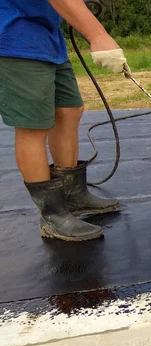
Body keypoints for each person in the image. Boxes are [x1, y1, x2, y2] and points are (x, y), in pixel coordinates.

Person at [0, 0, 131, 241]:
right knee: (34, 125)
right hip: (15, 36)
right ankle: (52, 216)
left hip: (48, 36)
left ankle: (73, 195)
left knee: (69, 110)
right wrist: (97, 34)